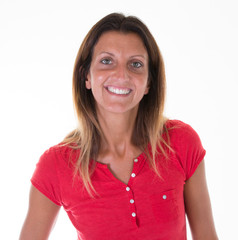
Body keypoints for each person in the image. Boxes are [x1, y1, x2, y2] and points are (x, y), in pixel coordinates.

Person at [20, 13, 218, 240]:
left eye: (135, 64)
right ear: (87, 76)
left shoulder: (181, 143)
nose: (121, 75)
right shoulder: (56, 165)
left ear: (148, 83)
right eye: (106, 61)